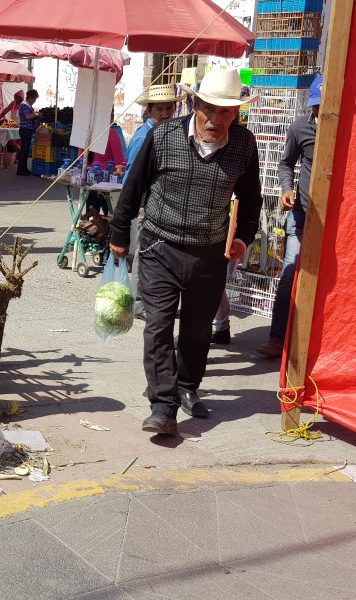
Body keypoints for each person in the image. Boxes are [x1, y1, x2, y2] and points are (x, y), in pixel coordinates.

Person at [108, 68, 262, 436]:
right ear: (196, 105)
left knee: (196, 330)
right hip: (161, 244)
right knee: (158, 326)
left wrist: (243, 237)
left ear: (236, 114)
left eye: (227, 112)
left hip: (210, 253)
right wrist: (119, 231)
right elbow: (135, 185)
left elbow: (252, 199)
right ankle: (163, 406)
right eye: (211, 110)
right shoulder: (164, 136)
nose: (218, 120)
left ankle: (187, 387)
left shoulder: (244, 144)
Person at [257, 75, 322, 358]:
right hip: (302, 214)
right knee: (289, 275)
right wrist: (285, 189)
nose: (320, 112)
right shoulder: (300, 127)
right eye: (316, 107)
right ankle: (277, 337)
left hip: (333, 221)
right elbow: (286, 164)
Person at [124, 85, 184, 320]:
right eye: (160, 108)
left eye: (170, 107)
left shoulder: (165, 132)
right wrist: (138, 208)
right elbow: (132, 177)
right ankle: (140, 304)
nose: (166, 113)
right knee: (142, 253)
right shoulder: (144, 137)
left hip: (159, 204)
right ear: (149, 110)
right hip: (144, 205)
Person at [17, 89, 40, 176]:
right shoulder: (24, 105)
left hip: (28, 129)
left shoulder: (28, 106)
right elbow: (27, 116)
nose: (34, 101)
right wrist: (37, 115)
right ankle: (21, 170)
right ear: (30, 97)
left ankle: (24, 169)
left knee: (25, 150)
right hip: (25, 129)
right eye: (34, 99)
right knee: (24, 150)